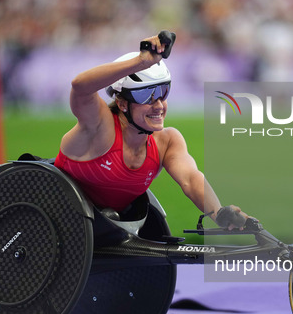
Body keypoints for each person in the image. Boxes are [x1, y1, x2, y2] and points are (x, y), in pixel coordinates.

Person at [54, 33, 248, 229]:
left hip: (105, 226)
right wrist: (141, 62)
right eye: (147, 95)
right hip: (57, 222)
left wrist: (220, 213)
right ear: (122, 103)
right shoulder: (99, 126)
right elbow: (80, 87)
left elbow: (190, 178)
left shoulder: (167, 140)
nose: (158, 105)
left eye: (163, 93)